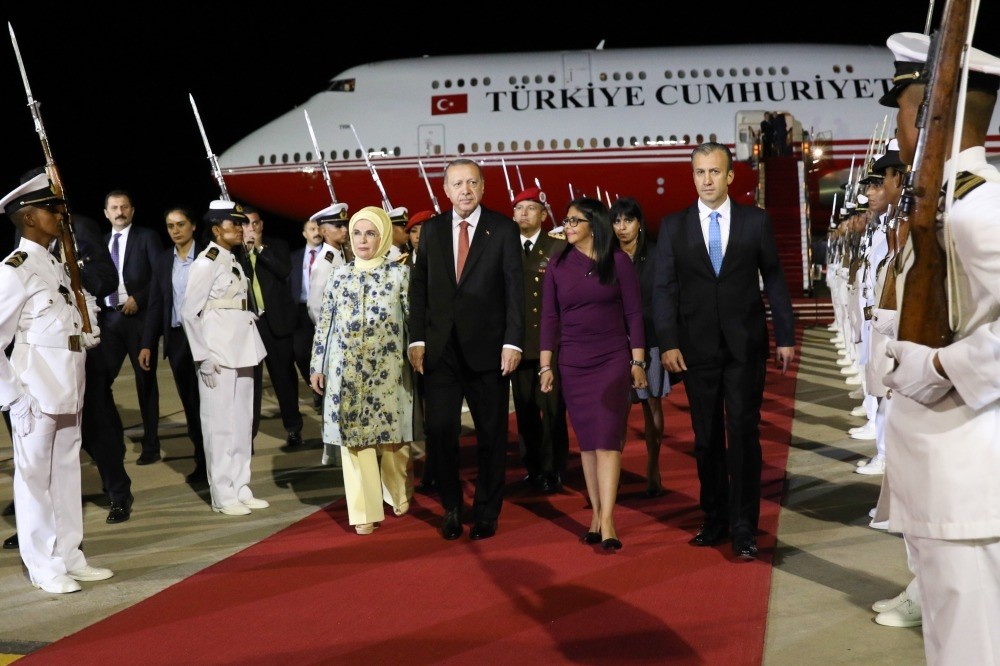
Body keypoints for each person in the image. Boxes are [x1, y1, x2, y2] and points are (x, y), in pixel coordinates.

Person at [877, 32, 1000, 663]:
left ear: (932, 116)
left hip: (970, 484)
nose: (898, 126)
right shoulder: (944, 207)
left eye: (902, 108)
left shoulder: (981, 210)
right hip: (941, 484)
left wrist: (942, 365)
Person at [652, 142, 796, 561]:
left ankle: (744, 526)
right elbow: (663, 289)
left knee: (745, 436)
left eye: (715, 172)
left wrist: (784, 335)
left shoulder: (755, 222)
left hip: (745, 346)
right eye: (700, 173)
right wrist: (668, 342)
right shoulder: (674, 226)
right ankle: (713, 518)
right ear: (693, 176)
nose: (707, 180)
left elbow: (774, 279)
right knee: (706, 439)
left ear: (731, 176)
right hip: (694, 350)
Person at [0, 173, 114, 593]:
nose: (60, 215)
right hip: (35, 388)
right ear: (28, 217)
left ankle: (69, 554)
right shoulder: (14, 270)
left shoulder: (56, 263)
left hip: (69, 383)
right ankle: (44, 566)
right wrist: (13, 395)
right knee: (33, 480)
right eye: (51, 209)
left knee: (66, 474)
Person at [407, 158, 525, 541]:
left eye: (472, 182)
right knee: (440, 430)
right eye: (457, 184)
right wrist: (417, 338)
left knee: (491, 434)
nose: (465, 190)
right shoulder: (433, 231)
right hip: (441, 351)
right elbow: (420, 288)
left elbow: (514, 291)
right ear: (445, 190)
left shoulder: (503, 229)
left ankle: (487, 512)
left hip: (488, 351)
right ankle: (452, 507)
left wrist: (512, 341)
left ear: (483, 187)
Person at [540, 197, 646, 550]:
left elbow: (634, 314)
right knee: (587, 443)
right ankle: (595, 515)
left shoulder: (618, 262)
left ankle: (609, 520)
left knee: (608, 439)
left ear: (593, 225)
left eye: (573, 221)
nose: (566, 227)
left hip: (612, 360)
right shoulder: (557, 264)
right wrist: (545, 365)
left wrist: (638, 362)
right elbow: (549, 318)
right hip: (572, 363)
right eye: (566, 221)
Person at [310, 206, 413, 534]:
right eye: (357, 233)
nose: (362, 240)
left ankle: (396, 489)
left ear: (382, 236)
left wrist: (420, 356)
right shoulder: (338, 275)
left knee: (393, 441)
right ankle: (364, 511)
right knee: (355, 444)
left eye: (370, 233)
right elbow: (325, 322)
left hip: (389, 370)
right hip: (347, 373)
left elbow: (412, 322)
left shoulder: (399, 274)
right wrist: (318, 364)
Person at [181, 200, 268, 516]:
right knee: (220, 425)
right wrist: (202, 355)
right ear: (217, 229)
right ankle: (223, 494)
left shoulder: (231, 259)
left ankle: (241, 486)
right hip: (218, 351)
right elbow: (189, 312)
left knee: (242, 423)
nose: (241, 229)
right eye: (234, 224)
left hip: (242, 346)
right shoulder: (207, 262)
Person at [138, 206, 207, 484]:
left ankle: (222, 460)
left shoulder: (207, 255)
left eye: (180, 224)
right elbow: (156, 304)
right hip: (178, 339)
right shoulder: (164, 260)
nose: (175, 230)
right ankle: (202, 463)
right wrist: (147, 343)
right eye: (170, 226)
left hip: (206, 337)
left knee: (212, 404)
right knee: (191, 404)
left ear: (193, 226)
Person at [610, 196, 670, 498]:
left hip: (650, 339)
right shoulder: (606, 258)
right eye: (617, 221)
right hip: (615, 342)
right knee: (616, 411)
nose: (622, 228)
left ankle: (653, 466)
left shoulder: (657, 255)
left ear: (639, 223)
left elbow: (664, 299)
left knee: (652, 403)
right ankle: (613, 473)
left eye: (628, 221)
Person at [511, 186, 569, 494]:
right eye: (519, 209)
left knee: (553, 411)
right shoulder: (506, 248)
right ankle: (532, 467)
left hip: (551, 344)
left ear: (544, 215)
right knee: (525, 411)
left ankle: (554, 468)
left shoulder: (557, 248)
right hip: (519, 344)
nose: (523, 214)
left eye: (530, 208)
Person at [101, 189, 163, 464]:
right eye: (114, 207)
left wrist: (140, 297)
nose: (119, 212)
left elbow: (161, 277)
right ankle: (109, 444)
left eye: (124, 206)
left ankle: (151, 445)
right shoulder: (101, 242)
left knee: (145, 383)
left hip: (138, 320)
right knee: (100, 383)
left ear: (132, 210)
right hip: (110, 321)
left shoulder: (146, 237)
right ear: (106, 213)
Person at [240, 204, 303, 448]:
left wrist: (259, 248)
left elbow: (283, 269)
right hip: (250, 324)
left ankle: (294, 429)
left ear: (262, 225)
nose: (251, 228)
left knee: (284, 378)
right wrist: (246, 250)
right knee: (250, 383)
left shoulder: (276, 246)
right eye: (245, 224)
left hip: (276, 322)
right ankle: (249, 436)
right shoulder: (237, 252)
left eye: (255, 223)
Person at [305, 202, 350, 466]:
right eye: (337, 225)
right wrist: (330, 331)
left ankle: (338, 451)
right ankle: (334, 452)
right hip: (334, 340)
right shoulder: (326, 262)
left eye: (345, 224)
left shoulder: (341, 256)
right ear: (322, 230)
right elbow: (315, 305)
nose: (343, 229)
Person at [402, 209, 436, 491]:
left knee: (434, 411)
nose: (419, 236)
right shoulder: (401, 265)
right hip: (405, 348)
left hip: (435, 348)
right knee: (413, 411)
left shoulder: (445, 264)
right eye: (414, 231)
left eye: (425, 230)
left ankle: (435, 468)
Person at [289, 217, 325, 410]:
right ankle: (315, 386)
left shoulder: (330, 255)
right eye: (312, 229)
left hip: (322, 310)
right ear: (304, 234)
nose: (316, 232)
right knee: (301, 354)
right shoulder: (295, 257)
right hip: (301, 311)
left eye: (319, 228)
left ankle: (323, 391)